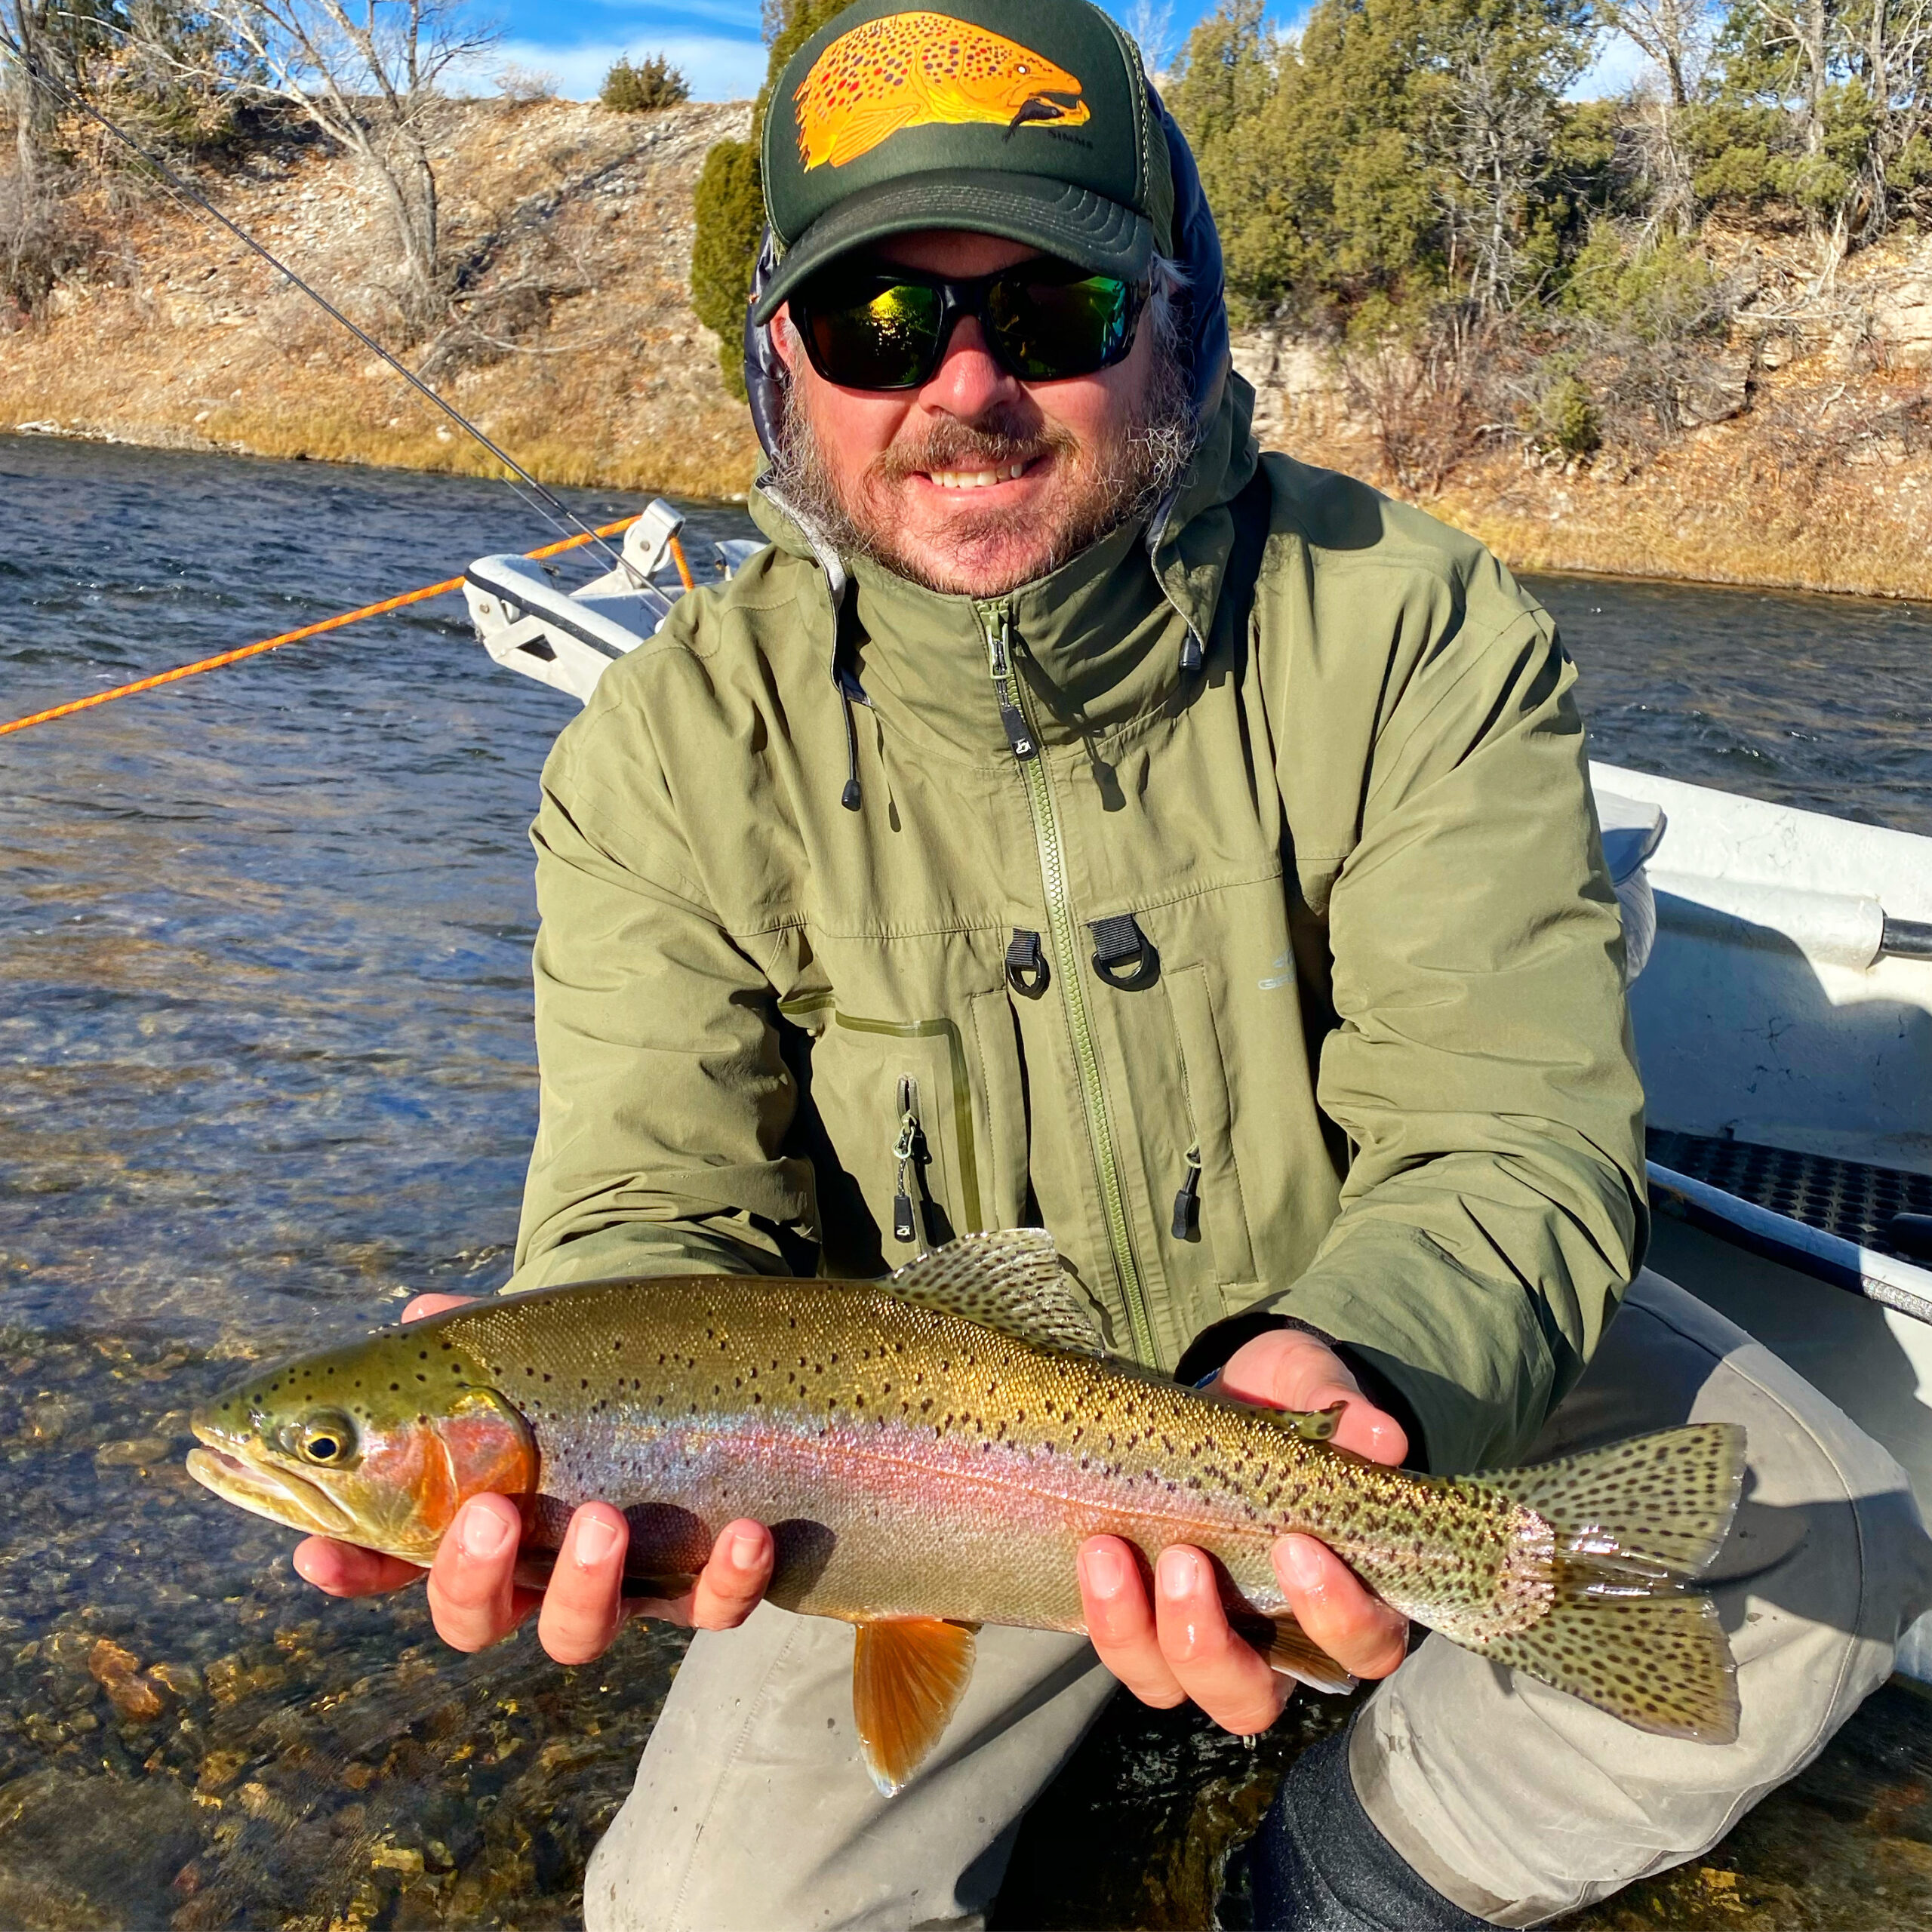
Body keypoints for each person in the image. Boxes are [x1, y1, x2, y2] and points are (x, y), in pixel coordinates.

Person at [293, 2, 1931, 1925]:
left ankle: (1342, 1870)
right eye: (874, 324)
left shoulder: (1410, 628)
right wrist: (584, 1375)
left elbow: (1509, 1130)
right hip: (896, 1459)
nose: (962, 387)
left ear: (1181, 324)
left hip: (1362, 1371)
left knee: (1834, 1547)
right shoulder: (668, 745)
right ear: (780, 373)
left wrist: (1366, 1374)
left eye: (1052, 311)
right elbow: (650, 1203)